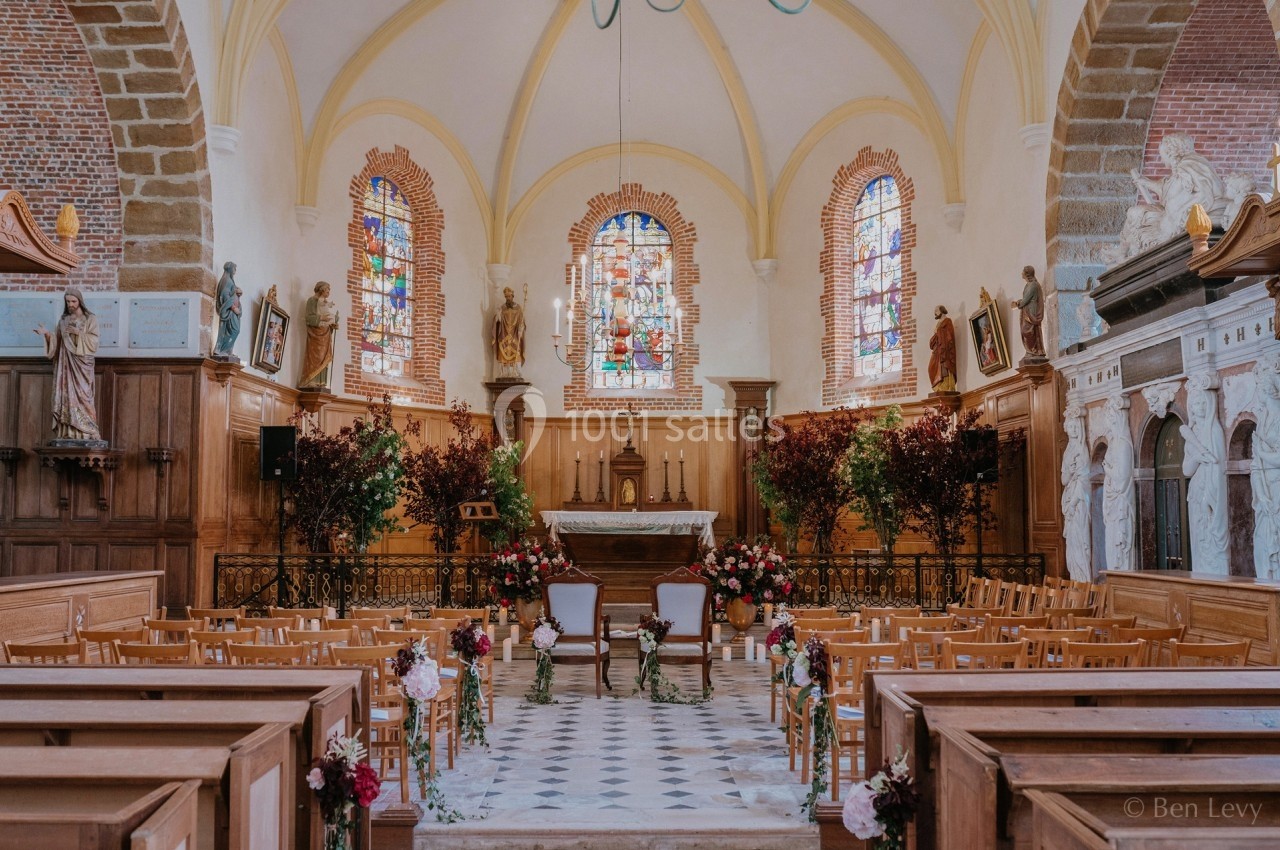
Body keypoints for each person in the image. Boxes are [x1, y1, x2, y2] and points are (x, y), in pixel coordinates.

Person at [33, 288, 102, 443]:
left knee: (84, 396)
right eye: (68, 301)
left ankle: (88, 431)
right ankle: (68, 432)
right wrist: (47, 334)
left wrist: (78, 333)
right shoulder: (63, 321)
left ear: (80, 301)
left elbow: (94, 341)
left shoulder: (90, 319)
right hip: (65, 365)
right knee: (66, 395)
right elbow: (57, 344)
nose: (70, 304)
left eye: (73, 301)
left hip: (82, 366)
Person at [300, 281, 339, 388]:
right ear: (321, 290)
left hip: (325, 333)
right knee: (316, 356)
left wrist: (333, 325)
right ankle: (311, 380)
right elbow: (308, 318)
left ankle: (322, 382)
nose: (328, 293)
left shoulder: (324, 302)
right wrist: (322, 318)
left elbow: (327, 316)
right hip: (315, 335)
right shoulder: (312, 301)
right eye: (327, 290)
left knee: (324, 356)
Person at [492, 285, 526, 380]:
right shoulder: (502, 308)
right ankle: (504, 374)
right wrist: (498, 315)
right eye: (506, 297)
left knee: (516, 352)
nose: (508, 298)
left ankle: (516, 373)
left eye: (509, 296)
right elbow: (497, 322)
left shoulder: (518, 308)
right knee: (503, 353)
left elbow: (522, 321)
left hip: (515, 335)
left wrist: (521, 329)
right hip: (504, 335)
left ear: (513, 296)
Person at [1012, 265, 1046, 358]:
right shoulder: (1028, 285)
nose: (1021, 273)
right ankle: (1031, 351)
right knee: (1026, 331)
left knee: (1027, 331)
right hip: (1027, 311)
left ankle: (1033, 351)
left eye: (1023, 271)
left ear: (1027, 273)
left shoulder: (1033, 285)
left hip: (1031, 312)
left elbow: (1026, 299)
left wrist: (1017, 303)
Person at [213, 261, 242, 358]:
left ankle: (227, 350)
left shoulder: (230, 280)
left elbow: (231, 293)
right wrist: (233, 308)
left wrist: (238, 293)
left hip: (233, 311)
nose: (235, 271)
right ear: (230, 269)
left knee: (235, 330)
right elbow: (225, 295)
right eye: (234, 268)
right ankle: (223, 350)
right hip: (230, 311)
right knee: (235, 330)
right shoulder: (227, 280)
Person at [927, 305, 956, 392]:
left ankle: (946, 386)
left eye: (936, 310)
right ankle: (938, 386)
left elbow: (949, 335)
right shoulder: (938, 323)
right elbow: (936, 336)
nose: (935, 312)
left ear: (942, 311)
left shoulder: (947, 321)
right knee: (931, 368)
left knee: (945, 367)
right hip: (937, 349)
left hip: (945, 349)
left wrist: (938, 331)